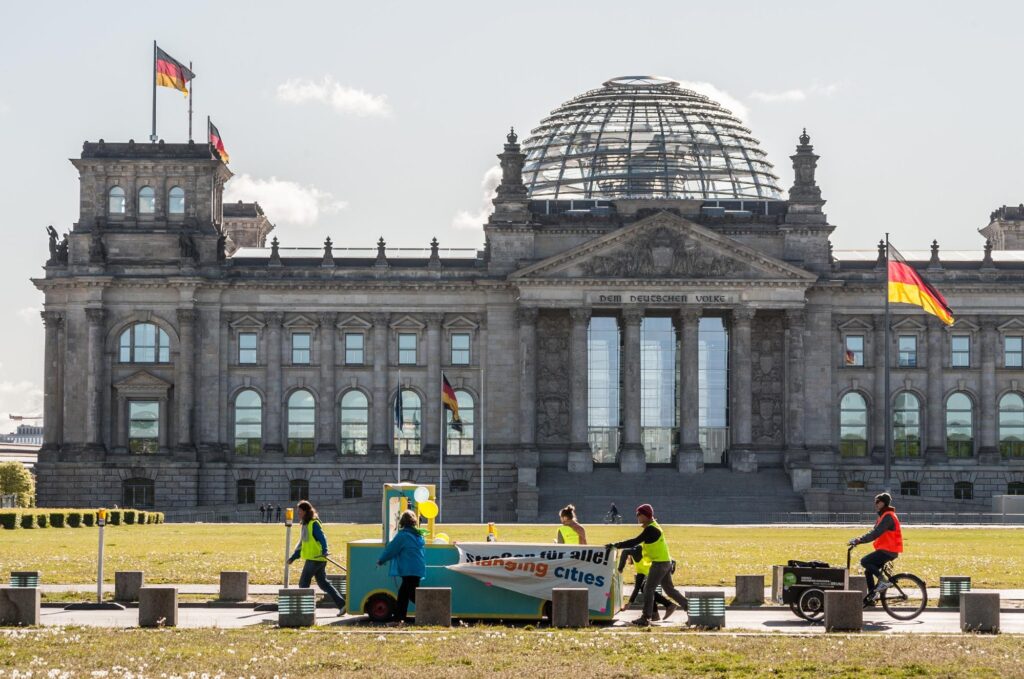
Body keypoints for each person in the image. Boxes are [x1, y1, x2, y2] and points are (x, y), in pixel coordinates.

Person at [607, 503, 687, 626]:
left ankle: (646, 617)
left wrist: (615, 545)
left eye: (638, 514)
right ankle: (690, 609)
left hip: (659, 563)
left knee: (648, 589)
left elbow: (634, 541)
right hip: (665, 562)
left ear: (645, 515)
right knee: (669, 590)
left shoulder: (651, 529)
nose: (637, 517)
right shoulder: (654, 526)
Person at [287, 500, 346, 614]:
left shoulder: (313, 523)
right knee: (324, 584)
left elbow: (322, 537)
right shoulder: (306, 524)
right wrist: (294, 557)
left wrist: (325, 550)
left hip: (315, 558)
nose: (298, 513)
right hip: (317, 559)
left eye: (299, 511)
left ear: (305, 511)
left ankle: (304, 611)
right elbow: (303, 545)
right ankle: (342, 605)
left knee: (303, 584)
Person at [848, 492, 903, 606]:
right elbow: (872, 532)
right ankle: (871, 597)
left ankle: (883, 581)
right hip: (886, 550)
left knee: (864, 561)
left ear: (884, 503)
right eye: (875, 502)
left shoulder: (888, 516)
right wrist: (859, 540)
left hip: (888, 550)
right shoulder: (883, 515)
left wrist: (859, 540)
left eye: (878, 502)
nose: (876, 504)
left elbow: (876, 533)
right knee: (868, 570)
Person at [377, 510, 426, 623]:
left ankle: (400, 619)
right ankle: (401, 618)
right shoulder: (418, 535)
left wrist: (381, 560)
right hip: (418, 569)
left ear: (402, 522)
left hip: (409, 569)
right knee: (409, 594)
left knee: (406, 595)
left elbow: (391, 549)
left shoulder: (403, 535)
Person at [617, 544, 673, 620]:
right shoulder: (639, 567)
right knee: (645, 588)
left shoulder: (637, 552)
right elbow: (636, 588)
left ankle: (668, 605)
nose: (627, 560)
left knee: (646, 588)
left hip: (662, 569)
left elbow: (625, 551)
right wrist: (629, 604)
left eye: (627, 558)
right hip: (659, 571)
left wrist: (620, 569)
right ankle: (655, 614)